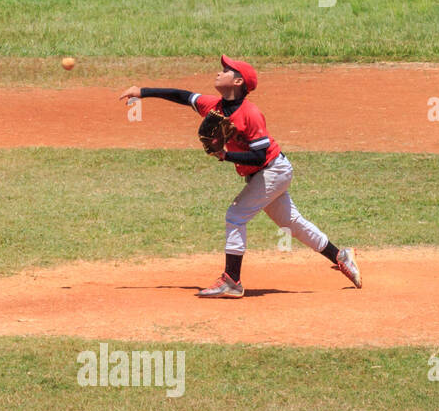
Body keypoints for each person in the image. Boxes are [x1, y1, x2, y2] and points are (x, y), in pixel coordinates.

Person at [117, 55, 361, 299]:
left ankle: (232, 281)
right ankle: (341, 256)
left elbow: (259, 155)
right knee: (292, 223)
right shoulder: (214, 105)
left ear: (238, 82)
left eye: (226, 70)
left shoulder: (250, 113)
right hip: (263, 175)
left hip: (273, 170)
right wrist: (142, 92)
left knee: (236, 215)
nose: (219, 72)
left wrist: (225, 155)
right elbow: (183, 95)